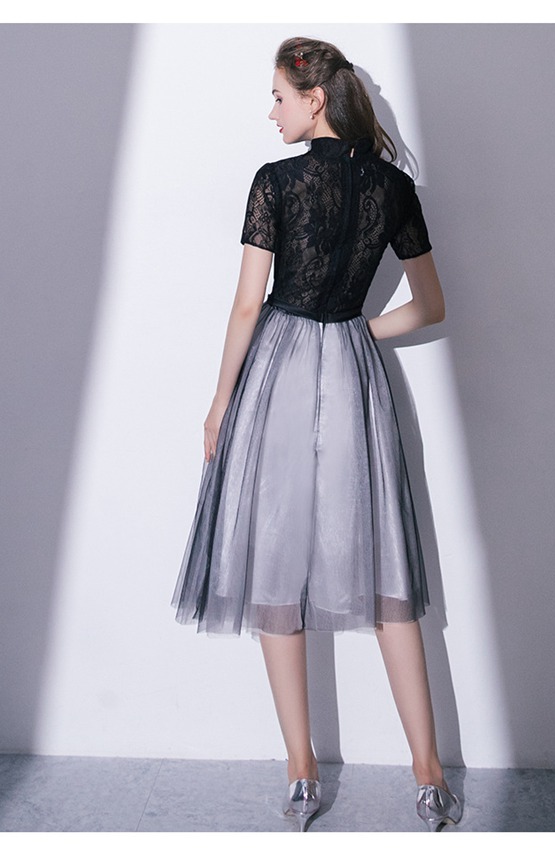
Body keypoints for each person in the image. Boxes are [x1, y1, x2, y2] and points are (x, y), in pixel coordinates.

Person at [171, 36, 462, 833]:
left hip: (278, 373)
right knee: (384, 563)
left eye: (278, 97)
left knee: (276, 562)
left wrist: (219, 402)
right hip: (352, 372)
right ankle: (430, 776)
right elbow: (431, 305)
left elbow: (246, 306)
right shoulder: (393, 187)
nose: (271, 113)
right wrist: (362, 331)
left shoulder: (276, 182)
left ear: (314, 99)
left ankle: (301, 771)